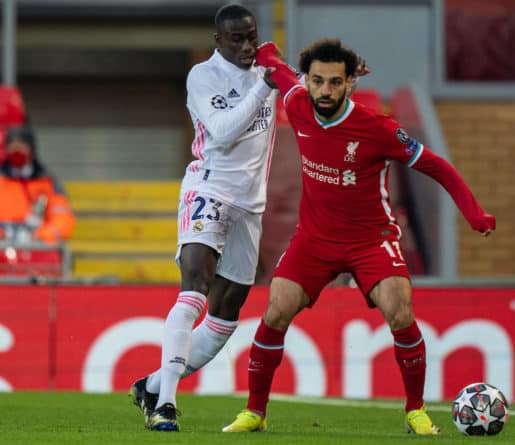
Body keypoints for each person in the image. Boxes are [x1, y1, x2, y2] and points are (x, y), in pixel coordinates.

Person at [222, 39, 496, 436]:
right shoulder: (298, 104)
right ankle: (255, 412)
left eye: (335, 82)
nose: (325, 91)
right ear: (309, 81)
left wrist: (473, 212)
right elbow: (279, 71)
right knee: (275, 310)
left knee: (399, 310)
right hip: (314, 239)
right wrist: (265, 53)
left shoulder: (379, 129)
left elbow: (437, 167)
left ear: (350, 82)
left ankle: (416, 410)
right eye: (318, 81)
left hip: (371, 240)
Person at [128, 3, 279, 432]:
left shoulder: (265, 70)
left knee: (225, 316)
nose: (247, 45)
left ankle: (153, 385)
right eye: (237, 38)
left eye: (251, 36)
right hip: (208, 188)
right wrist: (264, 85)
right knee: (194, 288)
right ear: (219, 40)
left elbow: (308, 93)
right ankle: (166, 406)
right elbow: (224, 130)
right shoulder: (203, 76)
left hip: (251, 205)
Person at [0, 125, 75, 245]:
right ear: (6, 149)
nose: (17, 150)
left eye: (21, 146)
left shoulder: (47, 182)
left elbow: (62, 217)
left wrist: (42, 237)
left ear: (31, 149)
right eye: (12, 146)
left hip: (38, 248)